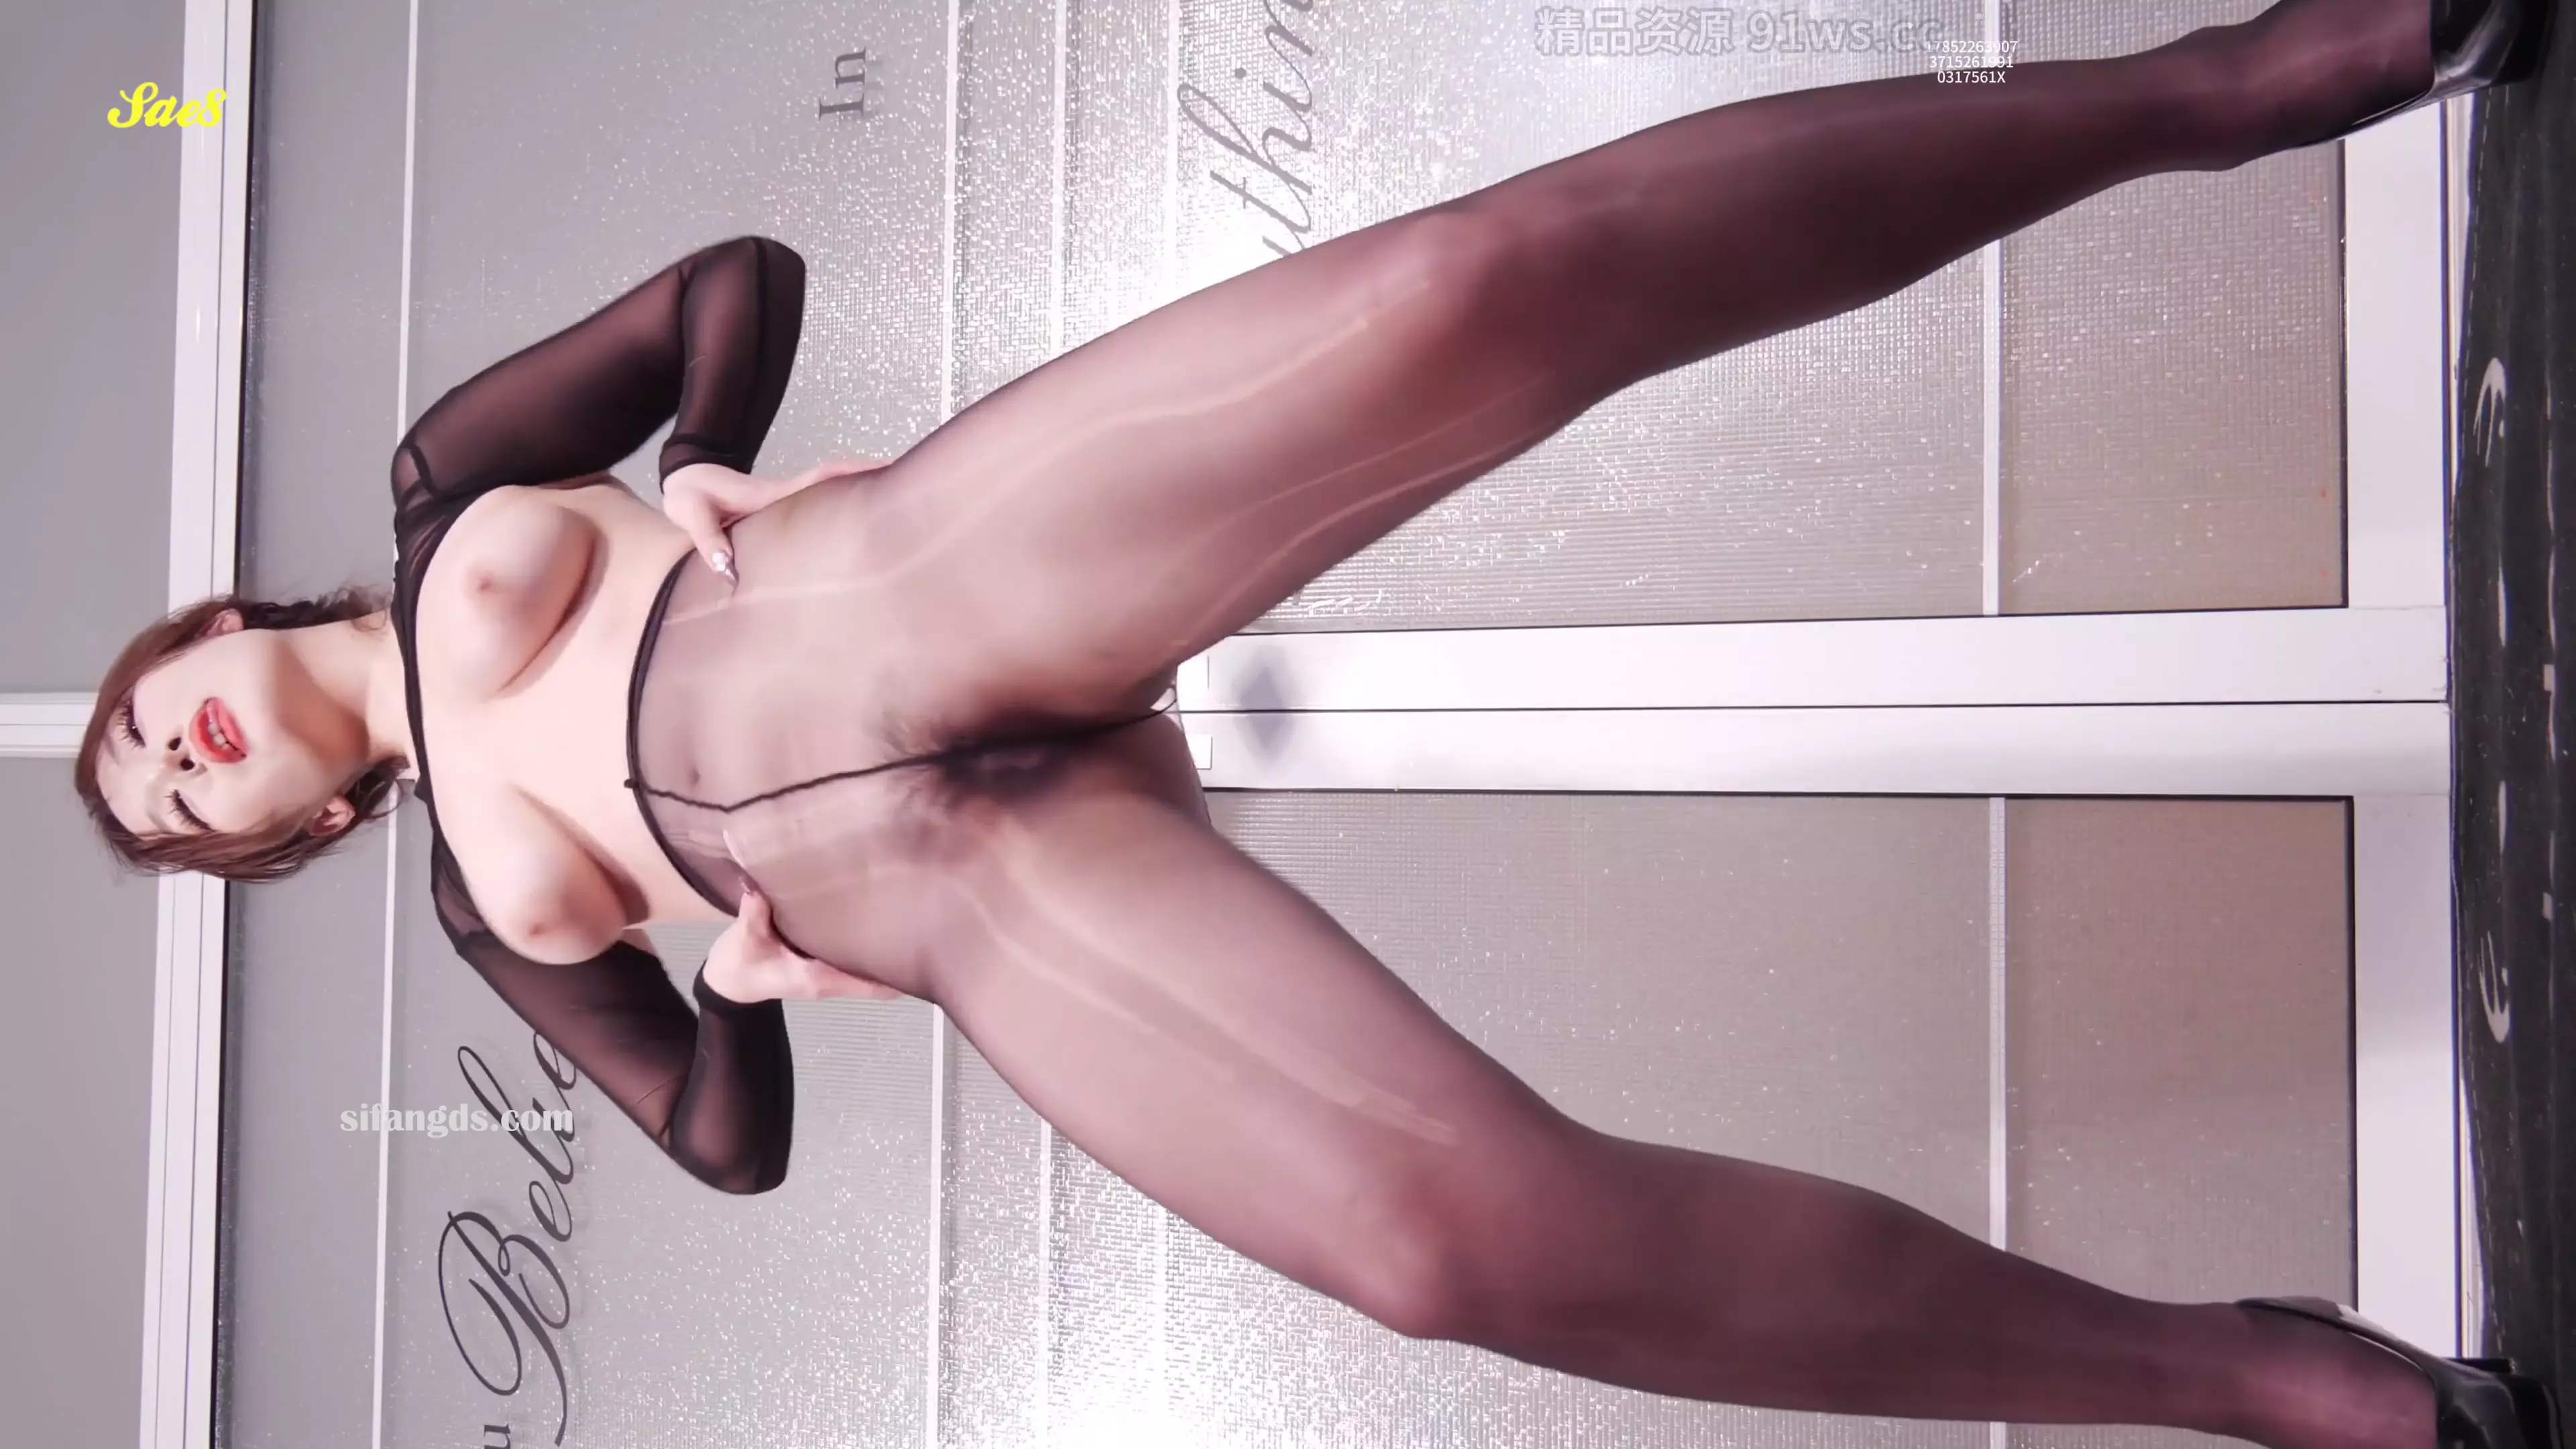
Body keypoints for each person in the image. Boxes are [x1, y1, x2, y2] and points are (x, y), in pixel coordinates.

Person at [76, 0, 2559, 1443]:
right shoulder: (481, 911)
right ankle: (2236, 1380)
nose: (176, 759)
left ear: (203, 639)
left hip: (915, 584)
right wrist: (742, 977)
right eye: (172, 816)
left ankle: (2226, 84)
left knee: (1476, 290)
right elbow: (724, 1147)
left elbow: (736, 276)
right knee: (1444, 1247)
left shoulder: (439, 488)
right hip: (966, 896)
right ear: (270, 841)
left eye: (146, 718)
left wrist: (702, 454)